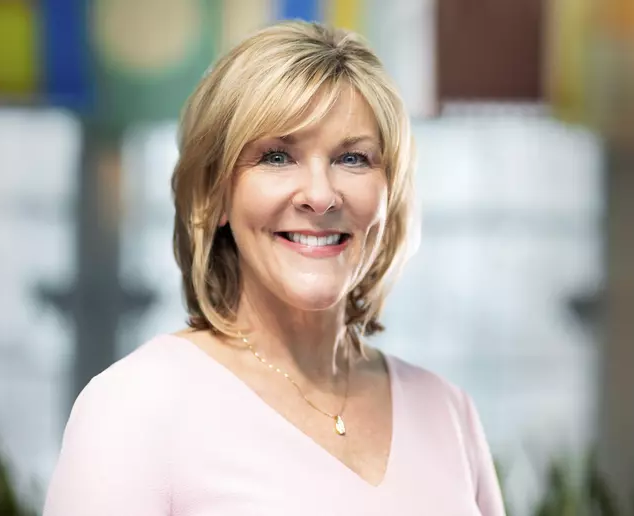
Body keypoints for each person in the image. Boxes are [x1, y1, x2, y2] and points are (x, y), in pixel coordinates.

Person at [43, 21, 505, 515]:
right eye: (277, 156)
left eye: (352, 158)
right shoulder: (134, 406)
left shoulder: (448, 412)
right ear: (216, 195)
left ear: (388, 195)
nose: (321, 196)